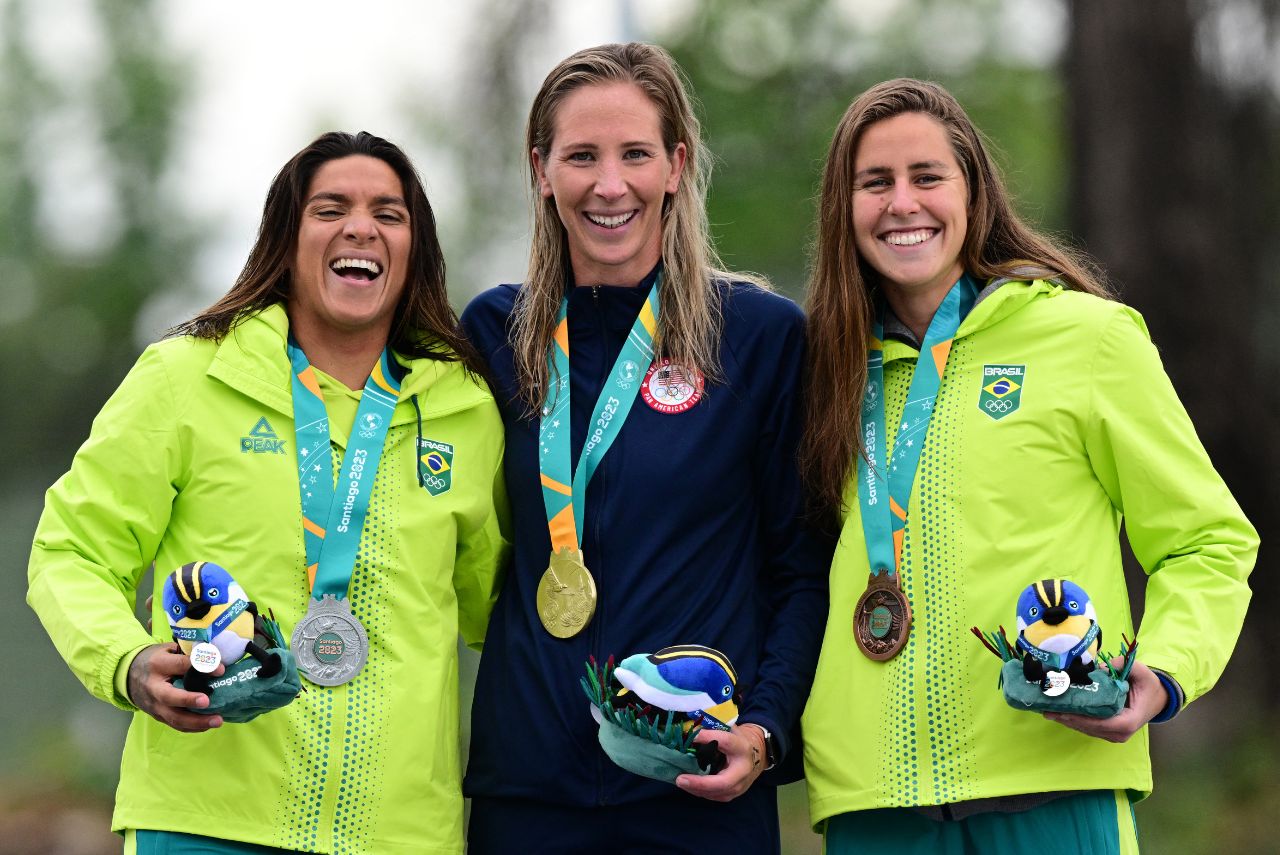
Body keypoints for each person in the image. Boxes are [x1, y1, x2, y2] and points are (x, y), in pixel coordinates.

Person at [799, 78, 1258, 854]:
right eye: (874, 182)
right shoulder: (818, 370)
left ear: (973, 193)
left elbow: (1206, 540)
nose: (901, 203)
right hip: (873, 808)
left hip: (1056, 786)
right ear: (843, 210)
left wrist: (1161, 672)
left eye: (927, 177)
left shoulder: (1087, 340)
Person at [27, 131, 508, 855]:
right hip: (205, 825)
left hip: (402, 835)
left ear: (415, 250)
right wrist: (126, 661)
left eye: (390, 212)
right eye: (330, 208)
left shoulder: (464, 409)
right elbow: (71, 550)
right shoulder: (187, 376)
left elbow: (502, 613)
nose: (360, 227)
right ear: (286, 240)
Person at [459, 42, 830, 854]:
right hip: (529, 793)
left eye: (635, 154)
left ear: (677, 164)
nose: (609, 183)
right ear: (541, 169)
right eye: (581, 156)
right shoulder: (490, 335)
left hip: (697, 785)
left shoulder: (758, 340)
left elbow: (801, 569)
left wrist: (765, 728)